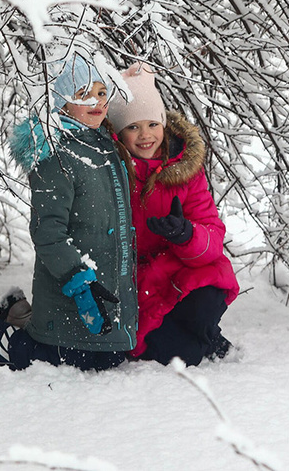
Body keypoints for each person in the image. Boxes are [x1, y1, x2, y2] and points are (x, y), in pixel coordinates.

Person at [0, 53, 137, 371]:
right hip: (72, 291)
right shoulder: (55, 155)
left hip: (103, 290)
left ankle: (21, 314)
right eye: (84, 94)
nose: (97, 102)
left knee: (109, 356)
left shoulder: (104, 144)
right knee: (51, 360)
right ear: (62, 101)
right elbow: (48, 231)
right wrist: (79, 284)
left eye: (101, 92)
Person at [106, 63, 239, 366]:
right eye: (133, 127)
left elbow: (212, 236)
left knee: (209, 291)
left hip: (175, 270)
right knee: (181, 355)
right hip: (132, 283)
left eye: (152, 124)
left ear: (164, 124)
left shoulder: (185, 171)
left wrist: (186, 234)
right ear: (118, 132)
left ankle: (200, 332)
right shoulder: (109, 172)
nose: (145, 136)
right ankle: (197, 340)